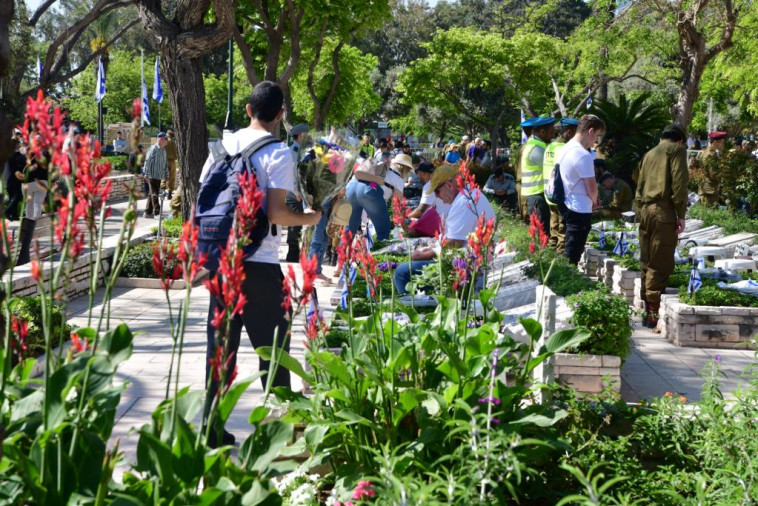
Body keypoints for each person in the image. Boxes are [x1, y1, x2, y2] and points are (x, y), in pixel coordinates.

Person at [200, 81, 322, 447]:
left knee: (221, 348)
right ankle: (275, 434)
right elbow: (277, 213)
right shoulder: (279, 153)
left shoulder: (220, 146)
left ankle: (211, 430)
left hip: (222, 261)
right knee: (275, 350)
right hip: (259, 264)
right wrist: (312, 218)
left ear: (249, 110)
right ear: (281, 115)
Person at [394, 163, 496, 294]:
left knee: (402, 272)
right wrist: (432, 247)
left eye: (437, 191)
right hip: (470, 261)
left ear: (449, 184)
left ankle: (417, 307)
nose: (436, 196)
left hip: (469, 267)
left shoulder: (464, 201)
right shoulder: (468, 195)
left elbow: (454, 243)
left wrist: (424, 254)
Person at [636, 124, 688, 329]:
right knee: (661, 260)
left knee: (647, 260)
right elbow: (679, 184)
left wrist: (640, 209)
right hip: (662, 211)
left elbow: (638, 185)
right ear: (680, 140)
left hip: (645, 210)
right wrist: (681, 214)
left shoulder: (648, 154)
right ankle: (652, 314)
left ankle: (646, 308)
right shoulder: (676, 150)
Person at [558, 114, 605, 265]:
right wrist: (595, 201)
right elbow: (591, 187)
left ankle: (567, 277)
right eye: (596, 136)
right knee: (574, 251)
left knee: (570, 245)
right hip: (580, 208)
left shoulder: (565, 148)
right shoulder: (583, 155)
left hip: (567, 202)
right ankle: (568, 282)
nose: (595, 141)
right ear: (590, 131)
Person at [345, 152, 410, 240]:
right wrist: (401, 224)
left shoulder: (381, 166)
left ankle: (342, 251)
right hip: (369, 191)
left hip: (352, 187)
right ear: (406, 169)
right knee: (383, 229)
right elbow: (395, 206)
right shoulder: (398, 179)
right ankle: (380, 251)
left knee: (350, 227)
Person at [542, 117, 578, 253]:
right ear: (568, 132)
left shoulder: (550, 146)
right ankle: (560, 254)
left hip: (549, 194)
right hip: (561, 194)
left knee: (554, 223)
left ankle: (551, 249)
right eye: (575, 132)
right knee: (563, 225)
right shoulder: (565, 148)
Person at [520, 116, 555, 237]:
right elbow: (552, 169)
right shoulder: (537, 148)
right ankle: (540, 255)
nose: (553, 135)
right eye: (551, 132)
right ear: (542, 132)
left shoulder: (536, 144)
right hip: (537, 196)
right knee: (541, 232)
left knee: (540, 231)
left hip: (536, 195)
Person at [16, 150, 49, 265]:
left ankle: (27, 229)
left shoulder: (26, 152)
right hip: (42, 182)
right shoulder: (47, 152)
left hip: (27, 184)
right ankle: (32, 229)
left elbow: (19, 167)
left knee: (28, 205)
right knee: (37, 205)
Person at [285, 123, 310, 262]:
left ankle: (300, 252)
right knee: (294, 223)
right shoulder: (293, 151)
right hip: (295, 193)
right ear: (300, 135)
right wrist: (296, 192)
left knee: (300, 222)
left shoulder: (302, 150)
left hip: (302, 192)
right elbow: (292, 174)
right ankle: (292, 252)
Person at [691, 131, 726, 207]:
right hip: (709, 191)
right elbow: (714, 174)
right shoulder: (711, 155)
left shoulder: (706, 152)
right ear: (716, 142)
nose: (723, 145)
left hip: (707, 189)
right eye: (722, 142)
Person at [142, 132, 169, 218]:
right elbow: (148, 161)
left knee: (152, 194)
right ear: (161, 139)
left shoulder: (164, 150)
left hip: (159, 175)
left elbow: (165, 163)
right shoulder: (153, 149)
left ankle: (147, 212)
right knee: (155, 194)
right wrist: (146, 173)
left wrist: (166, 175)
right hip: (152, 175)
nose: (167, 141)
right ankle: (156, 213)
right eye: (166, 139)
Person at [515, 117, 537, 220]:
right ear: (533, 131)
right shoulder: (530, 147)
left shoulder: (522, 146)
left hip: (521, 182)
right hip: (527, 183)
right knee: (528, 214)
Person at [6, 138, 25, 221]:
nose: (19, 144)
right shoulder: (16, 154)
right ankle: (7, 211)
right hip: (15, 179)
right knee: (16, 196)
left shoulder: (9, 154)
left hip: (10, 179)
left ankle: (14, 215)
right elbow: (18, 165)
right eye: (18, 143)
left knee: (13, 197)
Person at [162, 129, 178, 198]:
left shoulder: (164, 142)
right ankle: (169, 193)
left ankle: (162, 190)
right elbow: (176, 153)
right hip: (172, 161)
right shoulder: (174, 142)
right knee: (172, 177)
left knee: (164, 176)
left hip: (165, 161)